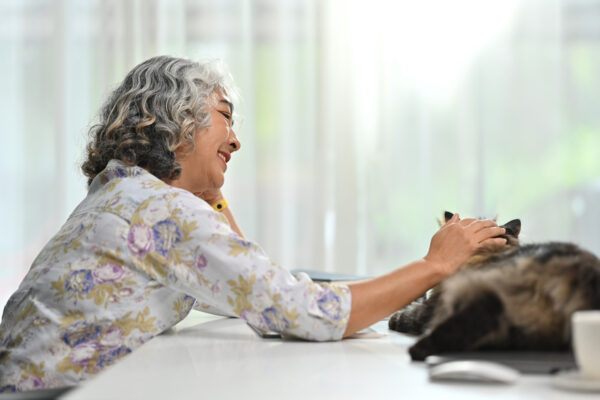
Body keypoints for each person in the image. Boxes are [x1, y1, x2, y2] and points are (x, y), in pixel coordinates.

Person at [0, 56, 505, 392]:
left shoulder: (123, 195)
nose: (236, 140)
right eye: (225, 116)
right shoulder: (159, 210)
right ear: (176, 120)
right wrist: (436, 264)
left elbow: (242, 294)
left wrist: (212, 198)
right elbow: (300, 312)